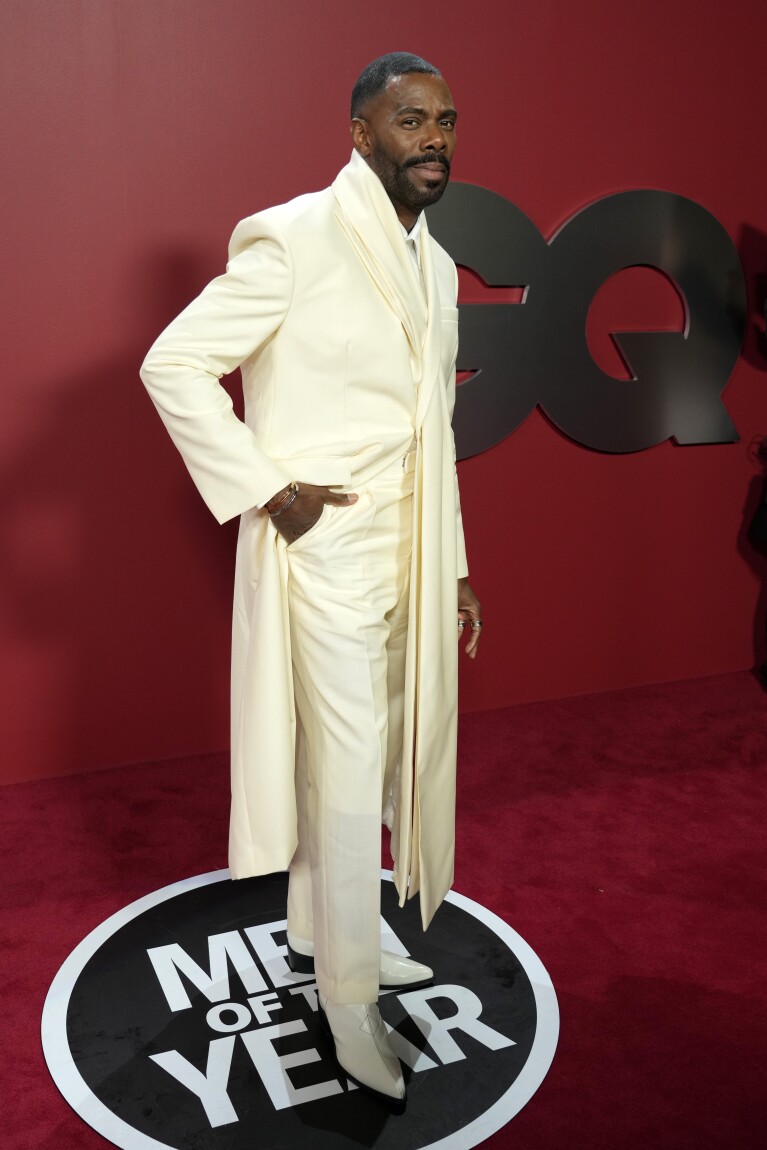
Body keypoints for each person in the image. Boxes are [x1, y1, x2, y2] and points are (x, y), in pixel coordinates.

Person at [140, 51, 482, 1105]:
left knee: (382, 763)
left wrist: (459, 567)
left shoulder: (436, 262)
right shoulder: (290, 236)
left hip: (414, 557)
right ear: (359, 134)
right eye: (409, 120)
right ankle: (344, 1003)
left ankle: (323, 924)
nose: (433, 137)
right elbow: (174, 364)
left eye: (445, 120)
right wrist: (266, 487)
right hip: (326, 549)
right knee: (342, 774)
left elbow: (437, 431)